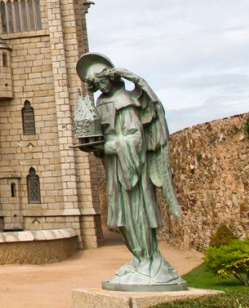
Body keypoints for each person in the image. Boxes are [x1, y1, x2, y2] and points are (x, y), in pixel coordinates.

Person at [75, 52, 186, 290]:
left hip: (130, 170)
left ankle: (150, 261)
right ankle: (140, 259)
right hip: (116, 168)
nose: (96, 87)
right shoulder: (102, 102)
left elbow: (135, 139)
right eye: (93, 84)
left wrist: (107, 146)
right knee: (122, 216)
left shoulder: (125, 101)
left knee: (137, 213)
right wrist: (96, 147)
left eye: (98, 82)